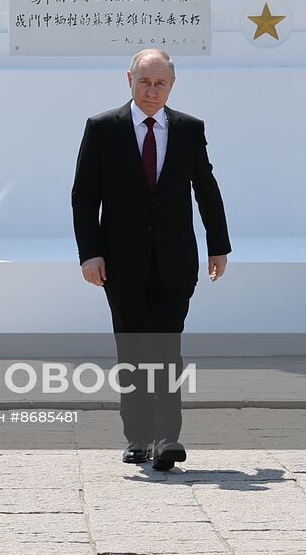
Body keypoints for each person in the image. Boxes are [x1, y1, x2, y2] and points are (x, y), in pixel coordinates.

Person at [71, 48, 230, 472]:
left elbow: (207, 190)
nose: (151, 90)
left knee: (165, 346)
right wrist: (90, 253)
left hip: (176, 261)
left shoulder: (189, 130)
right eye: (144, 81)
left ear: (172, 85)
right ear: (129, 79)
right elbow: (84, 197)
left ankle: (167, 437)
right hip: (120, 263)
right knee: (132, 348)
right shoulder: (103, 128)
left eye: (160, 83)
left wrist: (219, 245)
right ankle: (138, 436)